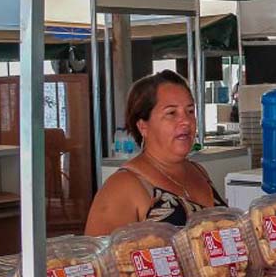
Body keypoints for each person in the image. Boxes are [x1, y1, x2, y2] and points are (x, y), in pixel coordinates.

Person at [85, 70, 227, 235]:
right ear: (143, 126)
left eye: (190, 111)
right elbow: (100, 256)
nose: (186, 121)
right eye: (171, 113)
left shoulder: (198, 170)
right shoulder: (123, 186)